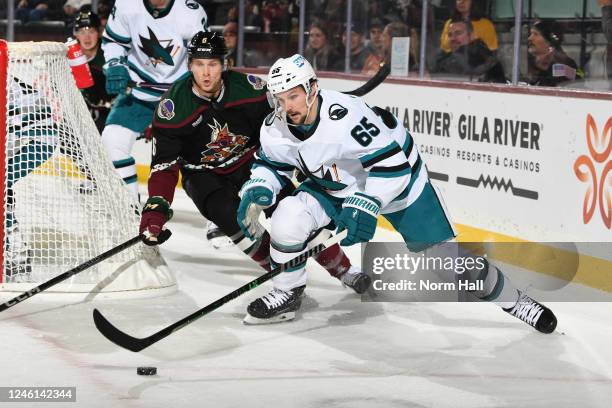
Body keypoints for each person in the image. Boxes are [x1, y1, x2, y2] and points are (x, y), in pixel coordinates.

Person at [236, 54, 558, 334]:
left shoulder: (346, 117)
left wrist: (365, 203)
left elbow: (392, 166)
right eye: (279, 98)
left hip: (401, 184)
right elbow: (272, 163)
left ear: (312, 89)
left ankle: (515, 302)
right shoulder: (274, 127)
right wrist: (260, 187)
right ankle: (287, 292)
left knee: (450, 265)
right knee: (287, 219)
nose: (286, 106)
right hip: (334, 186)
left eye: (293, 96)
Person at [139, 32, 370, 299]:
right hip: (204, 176)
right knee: (232, 219)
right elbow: (164, 167)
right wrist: (155, 212)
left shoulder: (250, 89)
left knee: (293, 211)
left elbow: (281, 126)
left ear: (224, 65)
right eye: (199, 64)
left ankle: (344, 270)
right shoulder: (173, 109)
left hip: (252, 162)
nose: (206, 73)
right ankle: (284, 280)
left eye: (213, 64)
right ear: (189, 65)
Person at [100, 0, 209, 199]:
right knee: (112, 141)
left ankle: (217, 213)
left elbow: (204, 57)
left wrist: (197, 86)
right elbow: (114, 41)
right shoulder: (127, 5)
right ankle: (129, 204)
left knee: (205, 150)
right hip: (138, 94)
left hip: (179, 96)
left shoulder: (189, 12)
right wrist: (115, 64)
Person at [4, 75, 59, 281]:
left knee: (2, 185)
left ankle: (16, 253)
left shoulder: (7, 83)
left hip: (37, 139)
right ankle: (14, 250)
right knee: (3, 186)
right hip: (23, 135)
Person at [73, 11, 113, 133]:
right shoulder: (67, 53)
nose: (87, 37)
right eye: (82, 32)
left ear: (99, 33)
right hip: (76, 111)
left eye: (91, 31)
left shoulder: (110, 53)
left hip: (105, 111)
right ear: (76, 34)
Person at [431, 19, 506, 83]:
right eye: (450, 35)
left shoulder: (482, 57)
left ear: (472, 35)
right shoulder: (445, 57)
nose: (453, 38)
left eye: (458, 33)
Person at [527, 20, 583, 87]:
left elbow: (581, 77)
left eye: (535, 34)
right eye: (530, 34)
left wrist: (564, 69)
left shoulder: (564, 64)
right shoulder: (533, 61)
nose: (529, 38)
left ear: (549, 41)